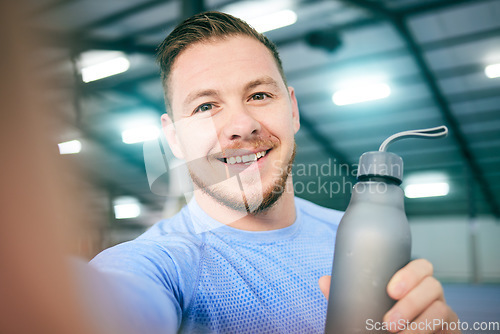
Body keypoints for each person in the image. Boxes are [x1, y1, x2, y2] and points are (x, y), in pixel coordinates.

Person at [89, 11, 461, 333]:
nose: (241, 124)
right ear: (173, 138)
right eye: (205, 106)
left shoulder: (353, 236)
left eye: (259, 95)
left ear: (293, 110)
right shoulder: (164, 262)